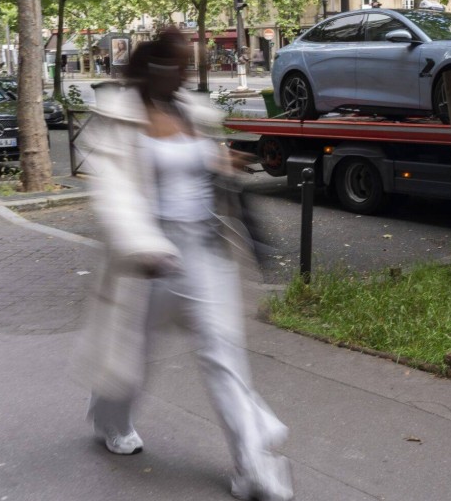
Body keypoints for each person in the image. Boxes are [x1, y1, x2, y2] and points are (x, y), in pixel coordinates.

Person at [72, 28, 294, 501]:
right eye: (179, 65)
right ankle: (109, 418)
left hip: (204, 251)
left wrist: (222, 163)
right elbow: (114, 192)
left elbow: (200, 164)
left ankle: (253, 467)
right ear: (154, 69)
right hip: (148, 259)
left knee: (223, 356)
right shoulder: (118, 118)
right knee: (131, 353)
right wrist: (142, 245)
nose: (187, 74)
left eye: (189, 65)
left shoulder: (192, 110)